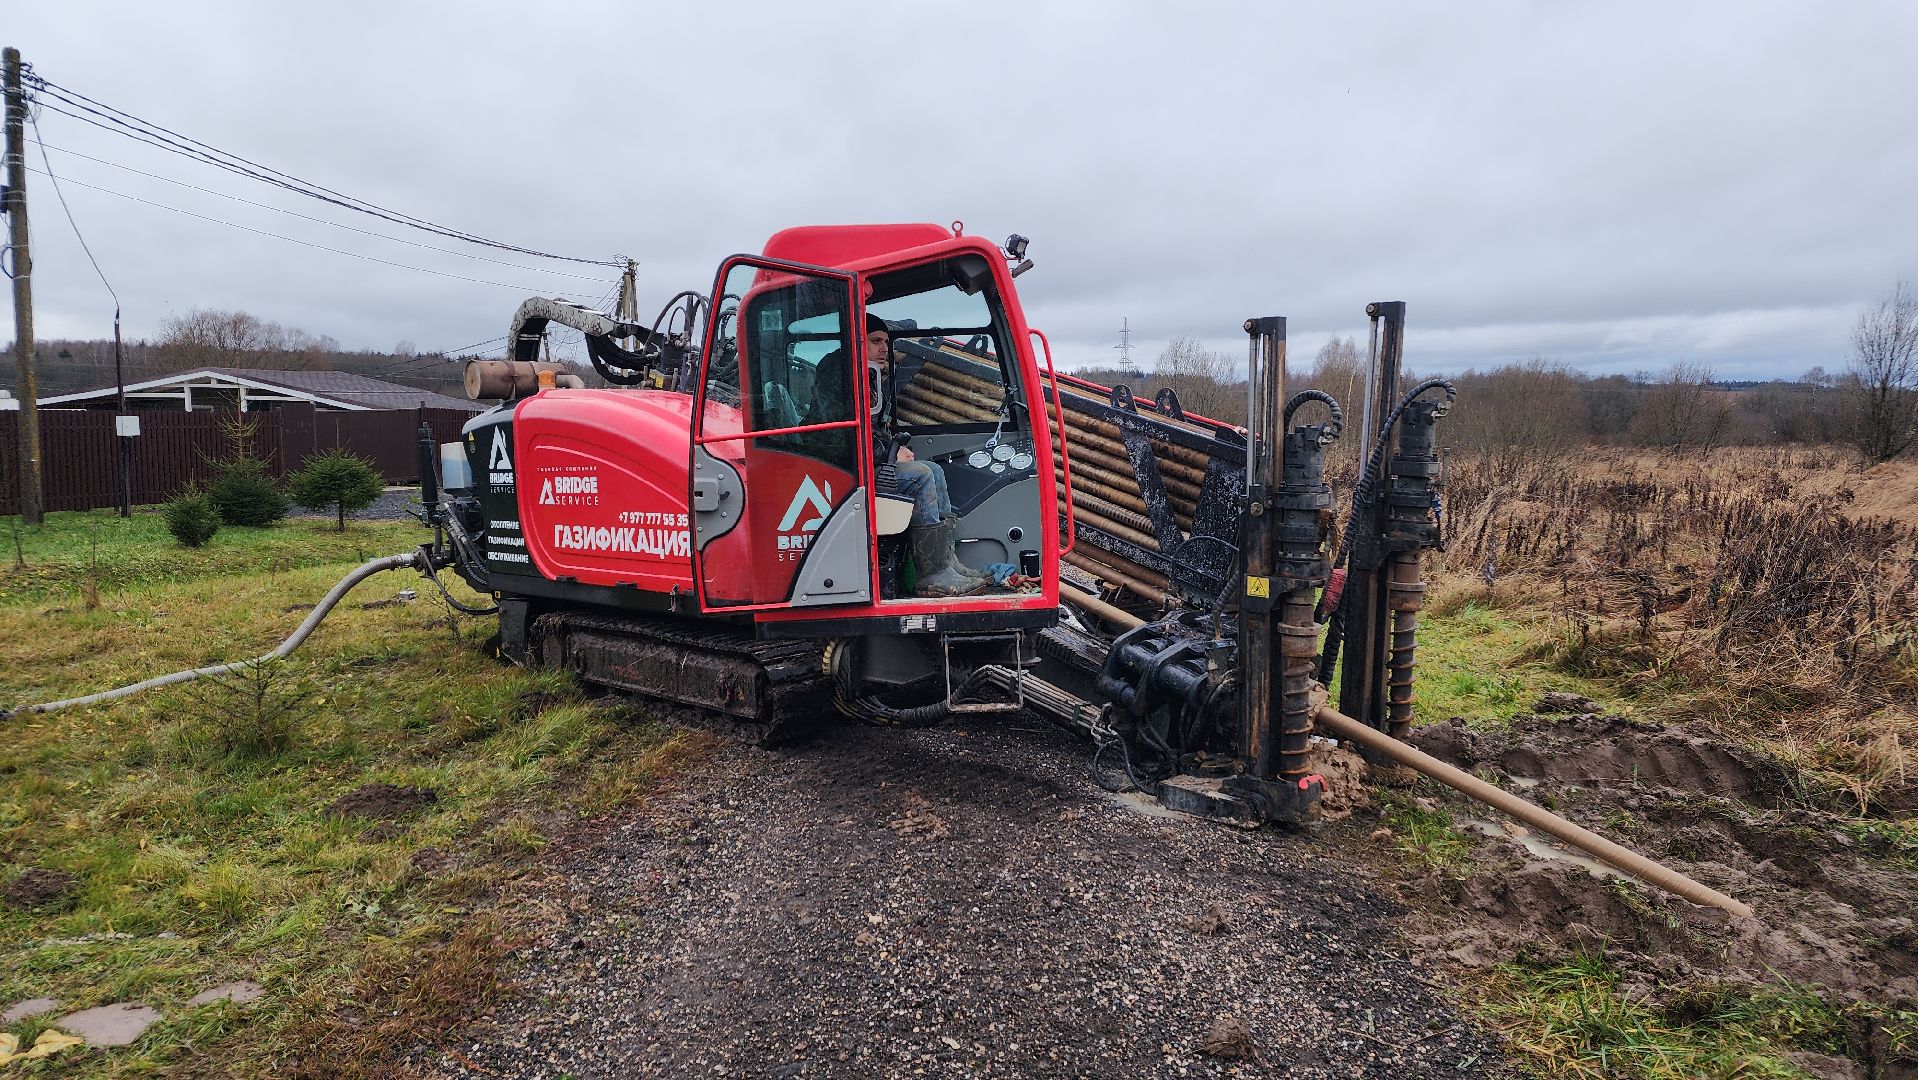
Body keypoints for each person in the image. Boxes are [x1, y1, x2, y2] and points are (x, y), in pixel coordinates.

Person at [864, 314, 993, 597]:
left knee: (933, 470)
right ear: (857, 342)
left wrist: (893, 448)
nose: (885, 348)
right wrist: (890, 453)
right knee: (920, 476)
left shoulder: (871, 379)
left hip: (866, 464)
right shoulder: (845, 380)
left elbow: (874, 430)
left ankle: (946, 563)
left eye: (886, 342)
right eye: (876, 342)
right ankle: (931, 576)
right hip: (850, 471)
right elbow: (848, 436)